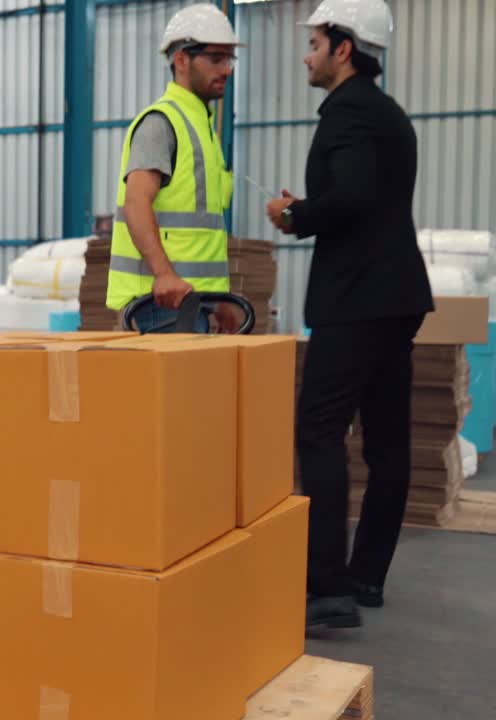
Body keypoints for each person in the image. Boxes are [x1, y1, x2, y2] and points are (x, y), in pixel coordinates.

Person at [265, 0, 433, 630]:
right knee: (387, 441)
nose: (306, 55)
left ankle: (327, 589)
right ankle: (364, 577)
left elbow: (354, 199)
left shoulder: (351, 113)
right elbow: (366, 196)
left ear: (343, 46)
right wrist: (313, 208)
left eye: (313, 42)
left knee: (319, 431)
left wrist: (295, 214)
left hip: (358, 298)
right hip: (394, 297)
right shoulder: (387, 115)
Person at [106, 3, 241, 334]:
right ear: (181, 60)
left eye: (229, 59)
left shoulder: (202, 126)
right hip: (162, 304)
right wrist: (163, 273)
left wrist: (219, 299)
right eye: (216, 59)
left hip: (193, 302)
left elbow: (201, 233)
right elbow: (136, 202)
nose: (227, 69)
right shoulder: (162, 123)